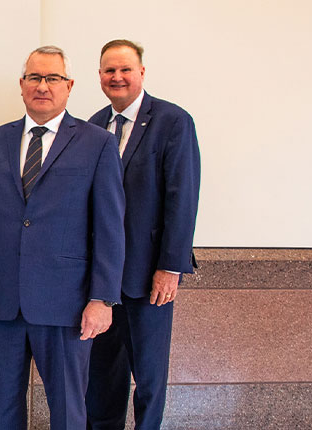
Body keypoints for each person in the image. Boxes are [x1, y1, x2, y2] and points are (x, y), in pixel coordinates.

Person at [0, 46, 125, 429]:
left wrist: (102, 299)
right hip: (0, 303)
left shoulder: (97, 144)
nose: (42, 86)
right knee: (3, 410)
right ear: (21, 85)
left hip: (68, 304)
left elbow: (110, 228)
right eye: (34, 77)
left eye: (52, 78)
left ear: (69, 86)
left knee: (68, 411)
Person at [85, 39, 201, 430]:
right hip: (99, 281)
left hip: (149, 276)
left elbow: (181, 198)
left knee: (149, 377)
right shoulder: (92, 125)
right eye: (108, 70)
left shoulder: (172, 121)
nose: (116, 77)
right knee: (101, 377)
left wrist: (171, 267)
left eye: (124, 69)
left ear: (141, 73)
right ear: (99, 75)